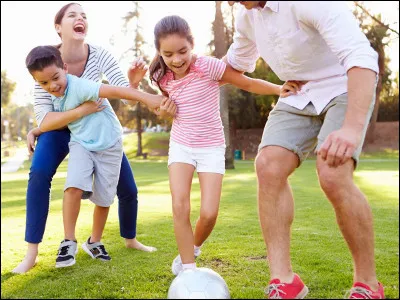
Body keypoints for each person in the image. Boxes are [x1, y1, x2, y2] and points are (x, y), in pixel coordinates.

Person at [226, 1, 383, 299]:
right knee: (268, 165)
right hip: (299, 93)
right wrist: (180, 69)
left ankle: (369, 284)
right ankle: (284, 281)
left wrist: (350, 129)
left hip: (344, 83)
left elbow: (361, 57)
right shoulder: (246, 17)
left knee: (333, 173)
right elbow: (232, 65)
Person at [130, 15, 302, 276]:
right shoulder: (159, 75)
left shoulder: (208, 67)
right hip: (181, 145)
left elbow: (246, 82)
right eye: (168, 54)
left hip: (210, 146)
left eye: (182, 51)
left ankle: (194, 246)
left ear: (192, 44)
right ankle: (188, 268)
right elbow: (164, 109)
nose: (176, 60)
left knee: (209, 213)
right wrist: (163, 113)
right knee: (180, 206)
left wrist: (278, 89)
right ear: (159, 52)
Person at [12, 2, 175, 274]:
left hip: (96, 129)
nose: (80, 19)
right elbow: (45, 117)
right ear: (58, 27)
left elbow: (120, 93)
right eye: (72, 15)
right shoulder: (43, 64)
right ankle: (32, 252)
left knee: (128, 191)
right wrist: (49, 124)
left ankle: (129, 239)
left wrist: (135, 86)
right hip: (62, 128)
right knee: (39, 172)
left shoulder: (99, 55)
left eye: (84, 15)